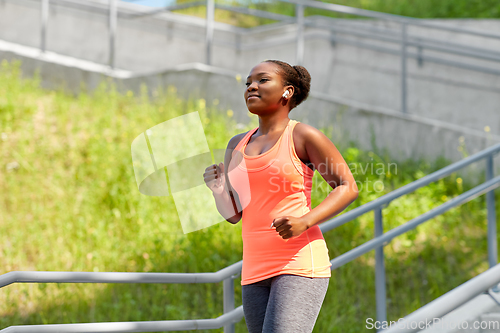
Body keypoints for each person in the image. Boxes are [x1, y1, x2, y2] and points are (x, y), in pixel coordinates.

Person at [203, 59, 358, 333]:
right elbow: (235, 215)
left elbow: (347, 186)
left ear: (287, 92)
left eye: (262, 80)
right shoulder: (236, 144)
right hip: (253, 269)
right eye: (248, 81)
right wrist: (218, 191)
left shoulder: (302, 135)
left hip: (298, 262)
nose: (251, 86)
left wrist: (305, 221)